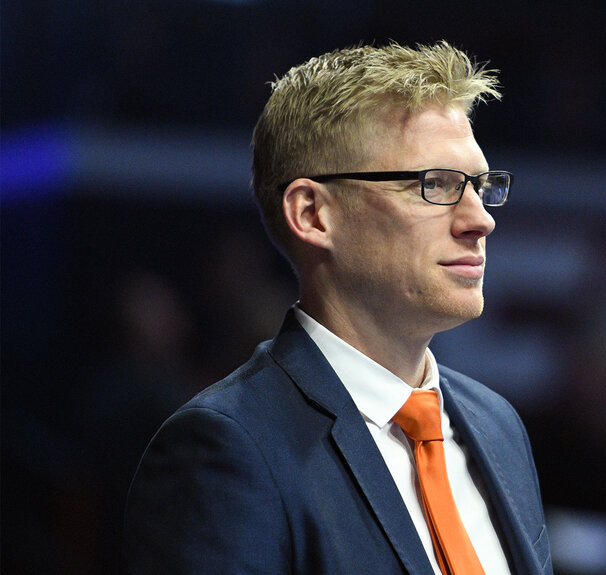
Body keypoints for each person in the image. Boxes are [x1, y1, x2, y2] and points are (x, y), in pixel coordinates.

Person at [124, 41, 552, 575]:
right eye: (434, 185)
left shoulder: (498, 427)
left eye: (481, 186)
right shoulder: (228, 449)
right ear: (313, 214)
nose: (480, 220)